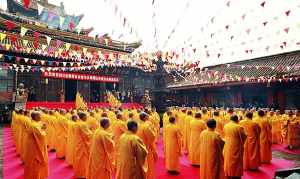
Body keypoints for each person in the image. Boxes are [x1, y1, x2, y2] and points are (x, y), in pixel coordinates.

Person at [24, 111, 48, 179]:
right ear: (35, 117)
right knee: (36, 163)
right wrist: (43, 129)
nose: (40, 117)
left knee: (33, 162)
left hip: (32, 145)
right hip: (35, 147)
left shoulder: (34, 123)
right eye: (39, 115)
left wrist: (42, 128)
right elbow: (41, 136)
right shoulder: (34, 125)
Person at [137, 113, 157, 179]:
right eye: (146, 116)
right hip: (146, 147)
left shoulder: (137, 125)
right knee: (148, 164)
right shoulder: (146, 126)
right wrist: (153, 130)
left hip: (138, 147)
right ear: (145, 118)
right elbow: (152, 137)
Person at [73, 112, 93, 178]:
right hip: (82, 144)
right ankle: (83, 174)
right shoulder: (82, 124)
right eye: (86, 116)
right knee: (83, 160)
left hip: (77, 142)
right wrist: (93, 133)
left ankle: (78, 173)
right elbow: (87, 135)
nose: (87, 117)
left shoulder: (77, 123)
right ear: (83, 117)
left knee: (79, 159)